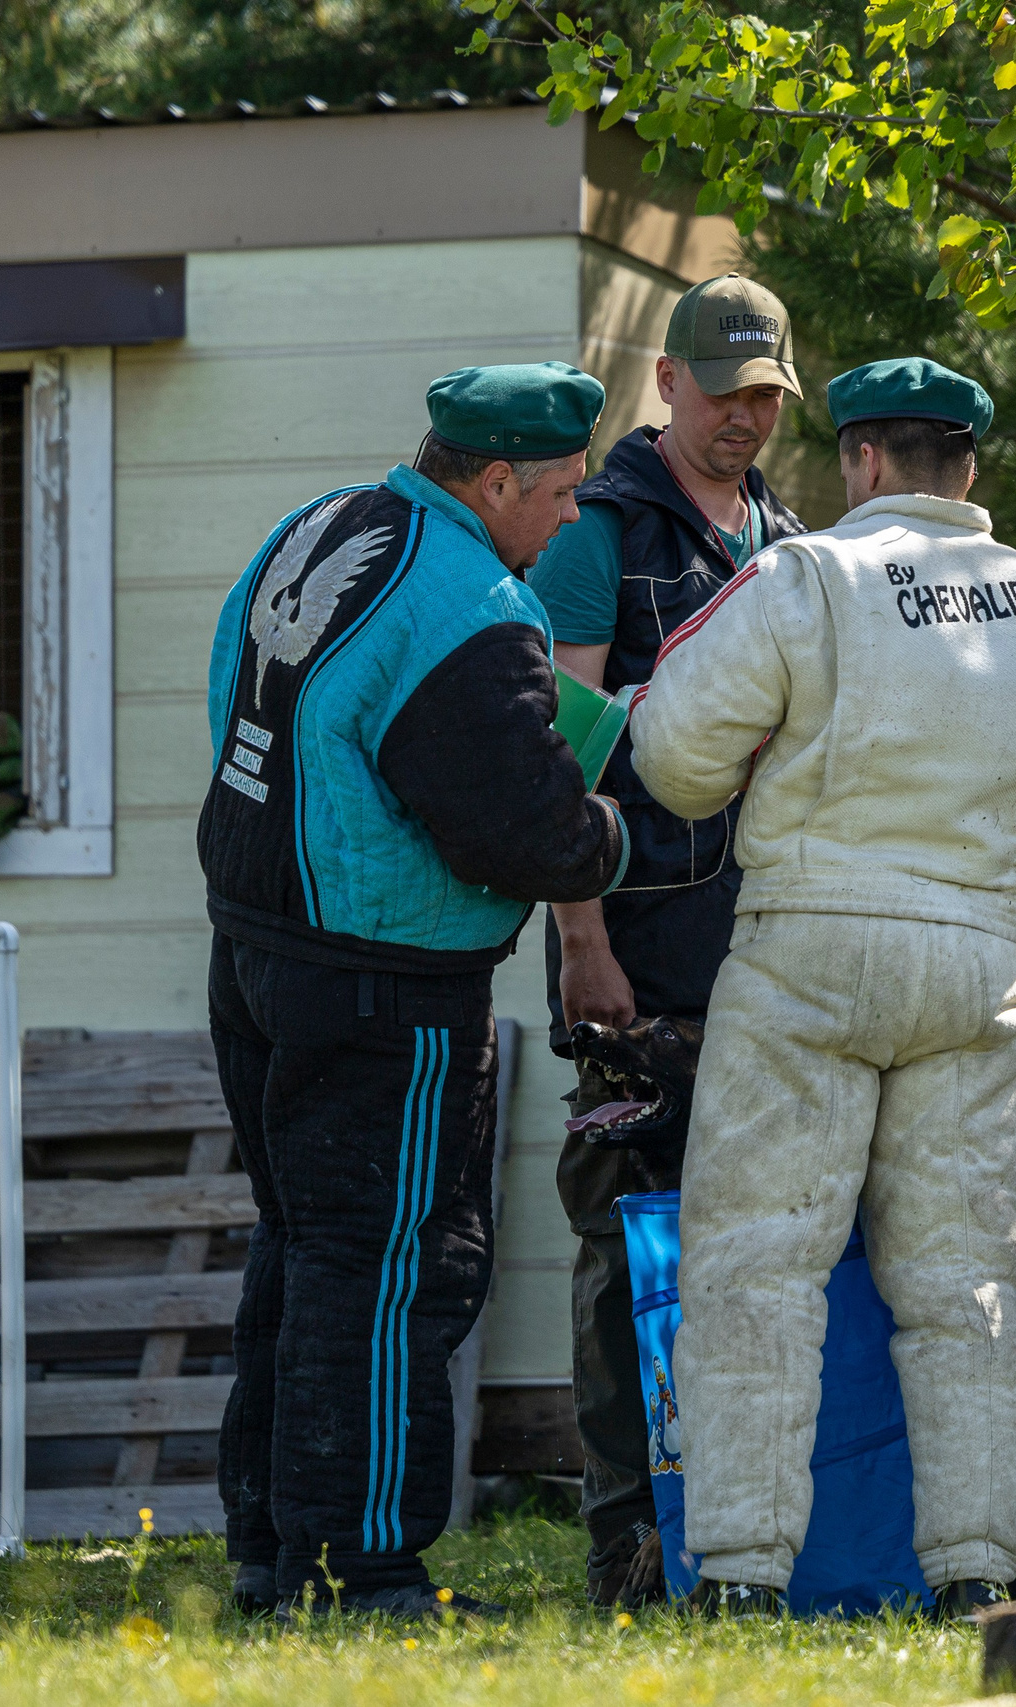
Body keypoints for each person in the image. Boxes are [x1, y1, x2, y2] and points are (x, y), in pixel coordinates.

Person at [626, 359, 1016, 1617]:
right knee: (966, 1281)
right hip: (975, 963)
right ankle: (974, 1572)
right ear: (970, 468)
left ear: (856, 461)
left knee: (755, 1266)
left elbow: (677, 762)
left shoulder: (806, 580)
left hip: (805, 952)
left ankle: (743, 1572)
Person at [199, 363, 632, 1620]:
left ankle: (272, 1549)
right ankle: (360, 1571)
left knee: (303, 1253)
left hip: (258, 951)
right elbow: (522, 837)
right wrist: (621, 830)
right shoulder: (474, 603)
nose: (570, 521)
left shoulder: (324, 525)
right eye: (558, 495)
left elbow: (365, 703)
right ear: (495, 480)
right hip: (382, 985)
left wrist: (574, 722)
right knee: (397, 1271)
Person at [524, 273, 807, 1607]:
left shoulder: (784, 540)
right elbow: (562, 766)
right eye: (724, 391)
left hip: (762, 955)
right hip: (629, 948)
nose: (745, 418)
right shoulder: (601, 535)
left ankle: (738, 1526)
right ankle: (627, 1544)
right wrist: (581, 938)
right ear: (667, 384)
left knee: (752, 1242)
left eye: (766, 395)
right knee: (625, 1249)